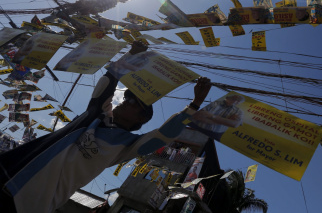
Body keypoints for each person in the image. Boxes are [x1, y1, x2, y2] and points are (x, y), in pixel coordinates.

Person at [0, 40, 213, 213]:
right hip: (10, 170)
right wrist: (130, 56)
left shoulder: (127, 145)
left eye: (132, 104)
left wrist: (194, 105)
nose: (124, 102)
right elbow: (106, 86)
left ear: (139, 121)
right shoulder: (96, 115)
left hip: (31, 204)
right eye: (126, 98)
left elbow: (164, 135)